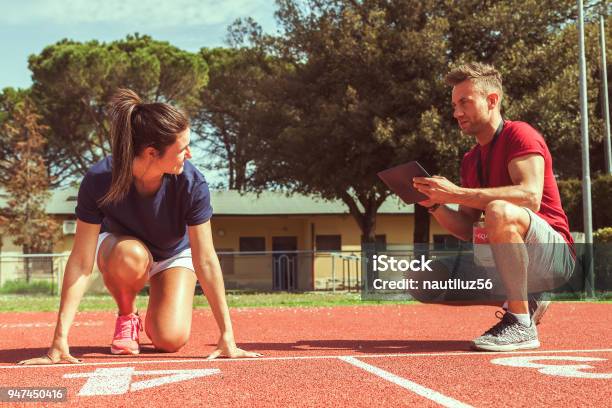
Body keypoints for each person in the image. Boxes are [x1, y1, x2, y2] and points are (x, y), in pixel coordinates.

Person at [19, 89, 261, 364]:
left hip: (172, 255)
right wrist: (59, 340)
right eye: (182, 148)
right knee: (130, 254)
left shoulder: (192, 184)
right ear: (151, 153)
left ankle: (156, 314)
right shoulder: (100, 179)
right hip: (123, 252)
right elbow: (81, 260)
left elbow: (205, 259)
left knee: (170, 339)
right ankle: (126, 314)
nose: (190, 154)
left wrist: (227, 335)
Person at [412, 62, 575, 351]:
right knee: (424, 277)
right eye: (453, 105)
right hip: (503, 258)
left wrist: (457, 193)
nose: (457, 112)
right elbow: (465, 229)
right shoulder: (470, 160)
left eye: (465, 102)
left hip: (553, 256)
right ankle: (527, 299)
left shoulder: (520, 135)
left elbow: (529, 196)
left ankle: (521, 324)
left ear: (491, 100)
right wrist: (435, 205)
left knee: (499, 210)